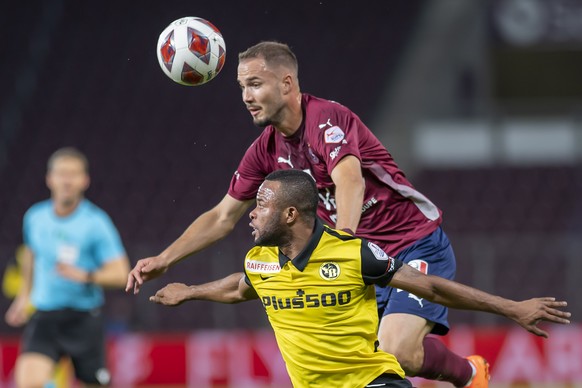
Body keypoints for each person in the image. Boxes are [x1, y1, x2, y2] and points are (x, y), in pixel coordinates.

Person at [127, 41, 484, 385]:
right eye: (241, 87)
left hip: (412, 243)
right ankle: (466, 373)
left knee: (396, 352)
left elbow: (349, 180)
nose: (246, 97)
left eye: (255, 84)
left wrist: (343, 240)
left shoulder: (326, 119)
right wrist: (165, 258)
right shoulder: (265, 149)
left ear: (287, 83)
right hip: (359, 263)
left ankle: (468, 375)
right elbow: (223, 216)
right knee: (367, 357)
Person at [149, 170, 570, 388]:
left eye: (261, 205)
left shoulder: (354, 253)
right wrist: (190, 292)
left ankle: (465, 373)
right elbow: (241, 287)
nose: (252, 213)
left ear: (291, 214)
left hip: (374, 383)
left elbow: (434, 288)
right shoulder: (260, 260)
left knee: (399, 353)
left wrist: (511, 307)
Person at [5, 147, 130, 387]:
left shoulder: (97, 223)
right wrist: (23, 297)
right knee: (28, 382)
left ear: (85, 180)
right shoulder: (34, 217)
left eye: (73, 174)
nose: (67, 180)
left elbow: (120, 273)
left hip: (84, 317)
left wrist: (85, 275)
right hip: (45, 316)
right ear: (49, 179)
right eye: (61, 174)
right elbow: (30, 256)